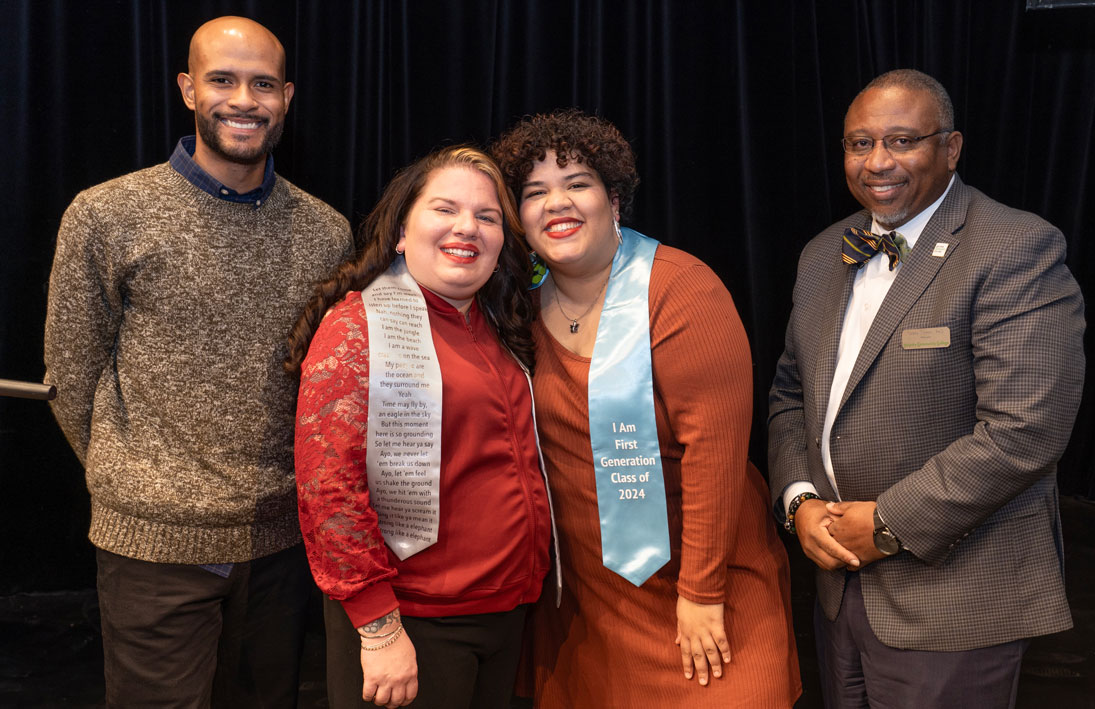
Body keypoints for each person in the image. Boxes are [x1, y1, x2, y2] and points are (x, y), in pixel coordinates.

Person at [43, 16, 352, 707]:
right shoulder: (106, 214)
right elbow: (71, 376)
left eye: (263, 83)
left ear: (287, 96)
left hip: (279, 548)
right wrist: (142, 481)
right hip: (152, 548)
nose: (244, 98)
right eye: (222, 79)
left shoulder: (326, 231)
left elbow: (326, 387)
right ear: (187, 88)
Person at [768, 69, 1085, 707]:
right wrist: (798, 502)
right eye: (859, 144)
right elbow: (789, 395)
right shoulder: (823, 252)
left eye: (902, 141)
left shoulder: (1014, 247)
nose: (877, 161)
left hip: (955, 596)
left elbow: (1026, 431)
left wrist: (885, 524)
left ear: (951, 148)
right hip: (837, 593)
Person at [491, 109, 802, 708]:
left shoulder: (682, 289)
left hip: (705, 585)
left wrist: (702, 592)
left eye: (577, 183)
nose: (557, 203)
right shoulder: (514, 306)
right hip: (588, 603)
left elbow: (715, 454)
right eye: (535, 193)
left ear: (614, 198)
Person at [286, 145, 552, 709]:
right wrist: (378, 628)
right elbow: (328, 490)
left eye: (487, 216)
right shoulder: (358, 326)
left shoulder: (498, 322)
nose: (467, 227)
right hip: (416, 622)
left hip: (505, 613)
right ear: (401, 231)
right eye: (445, 209)